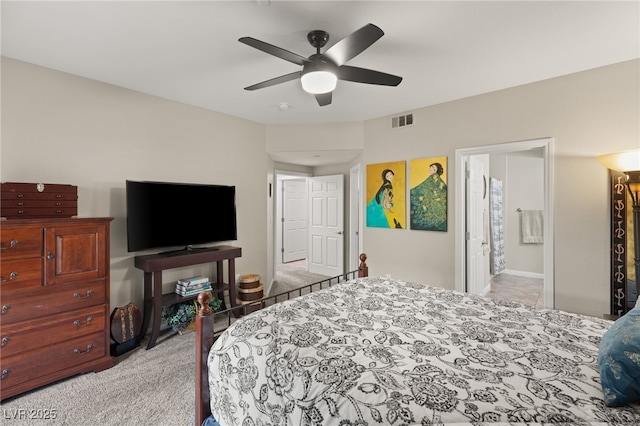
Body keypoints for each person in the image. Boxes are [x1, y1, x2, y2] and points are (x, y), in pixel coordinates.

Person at [410, 162, 447, 231]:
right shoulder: (432, 178)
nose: (431, 169)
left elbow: (442, 191)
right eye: (431, 167)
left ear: (436, 171)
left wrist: (411, 192)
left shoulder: (434, 177)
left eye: (434, 169)